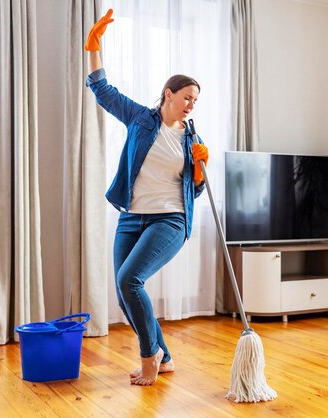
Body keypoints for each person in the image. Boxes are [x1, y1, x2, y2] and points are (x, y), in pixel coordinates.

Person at [85, 9, 209, 386]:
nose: (190, 105)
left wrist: (201, 168)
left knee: (129, 281)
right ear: (168, 94)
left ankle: (150, 360)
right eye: (187, 97)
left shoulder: (193, 140)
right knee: (125, 293)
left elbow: (197, 190)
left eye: (195, 101)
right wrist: (93, 47)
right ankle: (166, 355)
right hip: (132, 217)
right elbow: (103, 91)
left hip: (170, 220)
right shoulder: (140, 119)